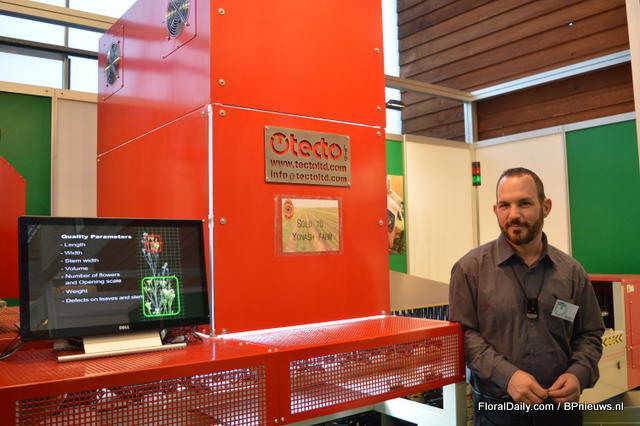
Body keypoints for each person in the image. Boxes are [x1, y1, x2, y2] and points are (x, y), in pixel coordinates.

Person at [449, 167, 604, 426]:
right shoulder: (469, 270)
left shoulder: (571, 272)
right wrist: (508, 376)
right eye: (504, 205)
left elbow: (589, 334)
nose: (513, 215)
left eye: (524, 203)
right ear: (495, 210)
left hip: (560, 412)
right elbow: (465, 336)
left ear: (546, 207)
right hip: (497, 412)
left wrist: (578, 373)